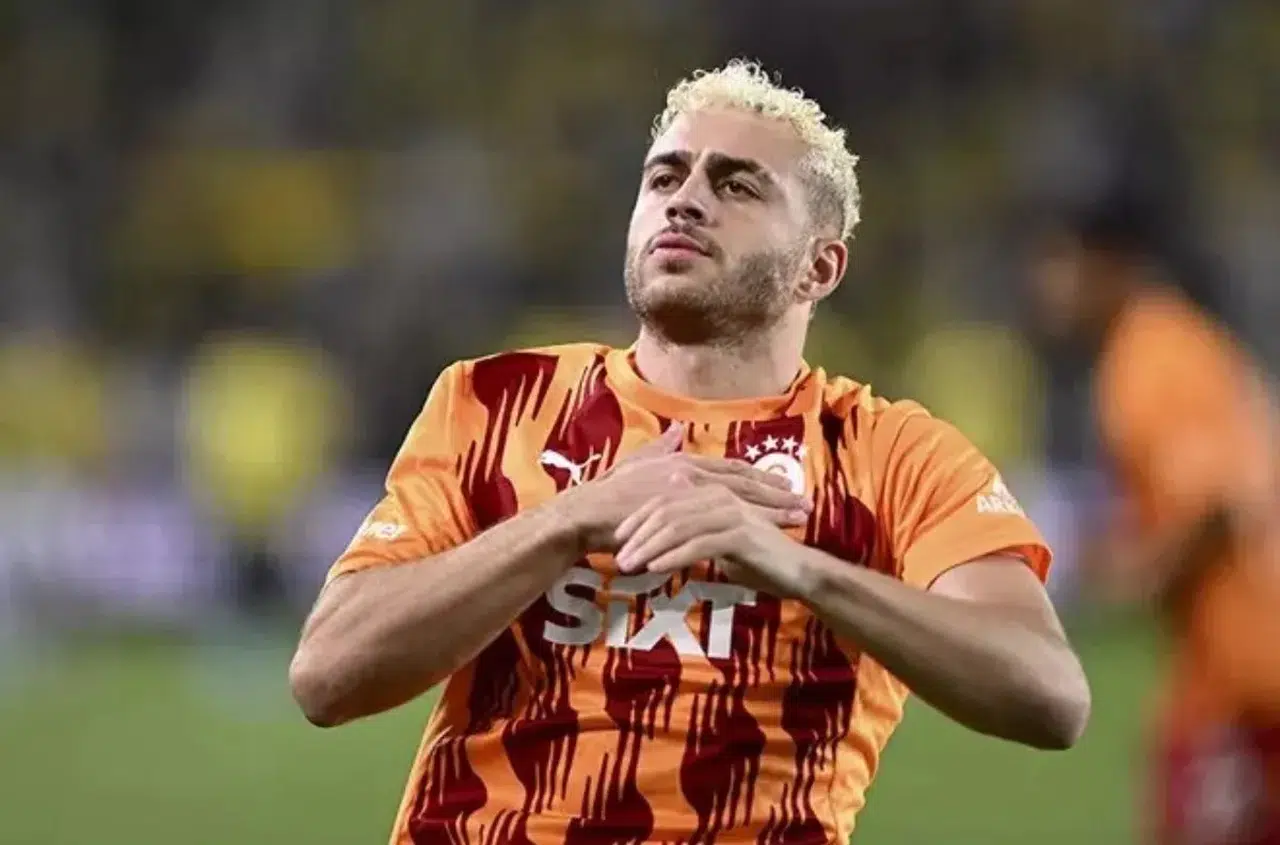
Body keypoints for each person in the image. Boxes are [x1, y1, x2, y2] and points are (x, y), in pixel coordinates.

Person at [290, 60, 1090, 844]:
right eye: (665, 177)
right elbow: (327, 675)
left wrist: (800, 569)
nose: (686, 200)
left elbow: (1050, 694)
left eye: (737, 186)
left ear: (819, 266)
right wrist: (569, 520)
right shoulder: (498, 402)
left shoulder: (890, 453)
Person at [1027, 201, 1280, 845]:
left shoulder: (1151, 357)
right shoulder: (1172, 342)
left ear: (1110, 264)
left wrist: (1137, 575)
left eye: (1061, 262)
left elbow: (1219, 505)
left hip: (1245, 678)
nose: (1046, 284)